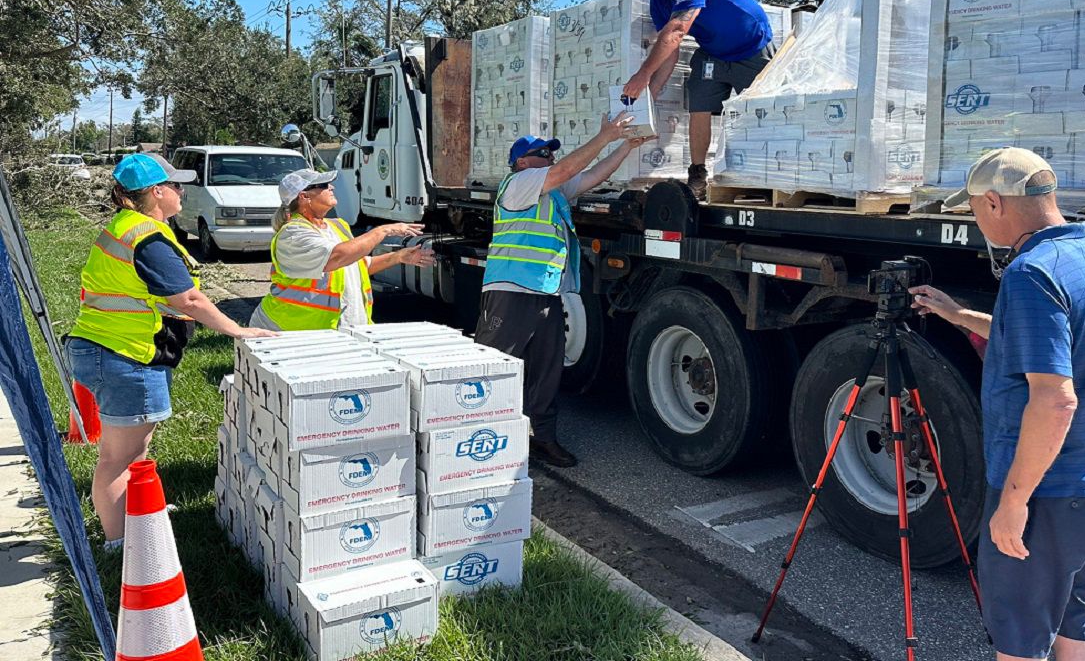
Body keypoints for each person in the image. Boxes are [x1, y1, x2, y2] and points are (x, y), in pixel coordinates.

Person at [908, 148, 1085, 661]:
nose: (975, 220)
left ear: (994, 202)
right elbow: (1053, 348)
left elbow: (1056, 400)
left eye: (973, 209)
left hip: (1048, 495)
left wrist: (1014, 504)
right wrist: (958, 315)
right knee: (1074, 629)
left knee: (1020, 644)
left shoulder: (1031, 274)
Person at [65, 153, 277, 549]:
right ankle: (120, 544)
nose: (183, 191)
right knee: (119, 457)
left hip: (109, 349)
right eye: (176, 185)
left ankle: (138, 517)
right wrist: (237, 330)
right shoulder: (147, 237)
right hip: (126, 355)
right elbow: (189, 300)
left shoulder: (131, 226)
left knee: (130, 449)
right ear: (157, 192)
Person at [475, 113, 651, 467]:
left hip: (546, 291)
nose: (551, 158)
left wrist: (625, 147)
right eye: (543, 154)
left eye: (552, 154)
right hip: (511, 291)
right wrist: (604, 136)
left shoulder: (551, 192)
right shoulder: (519, 183)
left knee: (546, 369)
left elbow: (591, 176)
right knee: (495, 369)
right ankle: (481, 438)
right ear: (522, 162)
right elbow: (568, 171)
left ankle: (542, 437)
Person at [623, 0, 776, 199]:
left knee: (761, 113)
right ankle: (698, 175)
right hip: (714, 53)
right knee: (699, 104)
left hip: (752, 48)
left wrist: (643, 74)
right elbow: (670, 49)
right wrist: (652, 90)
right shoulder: (658, 2)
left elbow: (678, 30)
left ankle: (765, 172)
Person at [250, 169, 432, 331]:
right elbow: (335, 258)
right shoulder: (293, 234)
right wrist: (383, 230)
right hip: (290, 331)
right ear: (304, 197)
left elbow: (357, 266)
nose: (331, 187)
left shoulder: (338, 226)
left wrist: (397, 257)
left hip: (332, 331)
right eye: (323, 185)